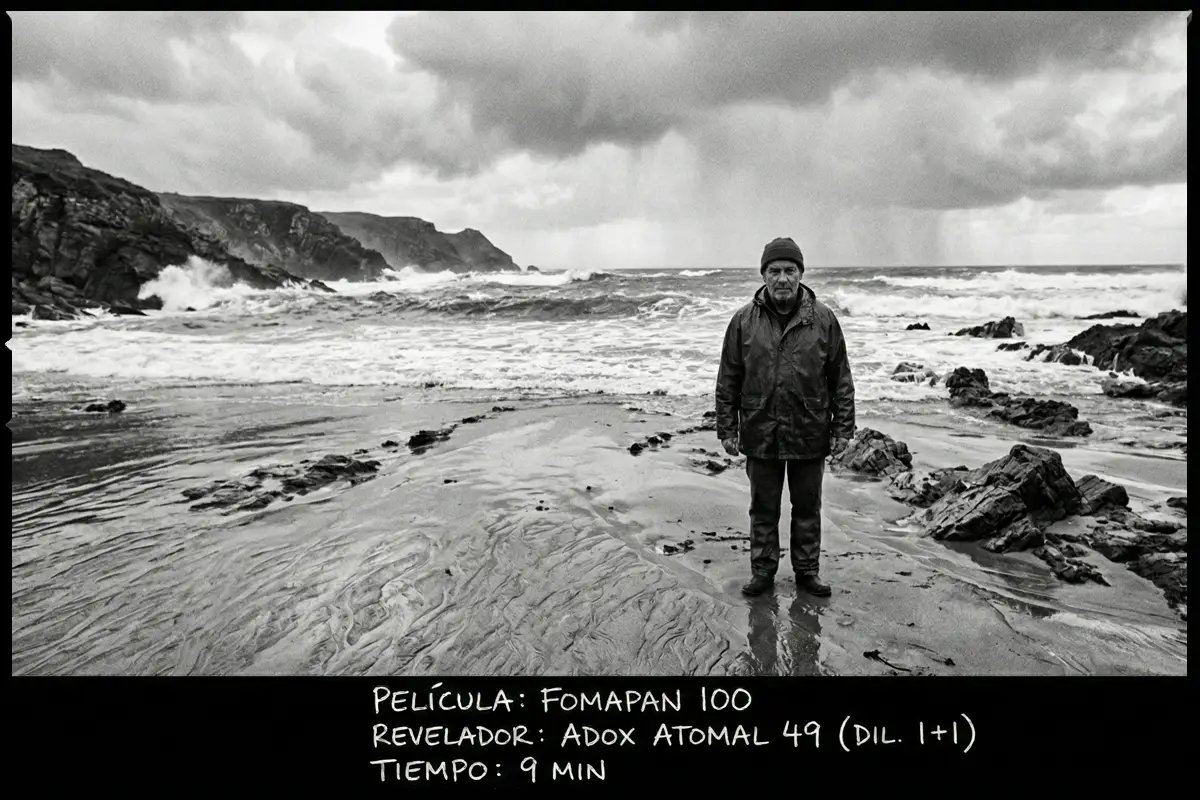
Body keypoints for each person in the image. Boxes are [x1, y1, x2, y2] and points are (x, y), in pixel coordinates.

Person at [715, 237, 856, 598]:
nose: (782, 278)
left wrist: (842, 429)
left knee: (807, 507)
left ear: (801, 274)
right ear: (763, 274)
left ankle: (807, 572)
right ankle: (763, 572)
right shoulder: (743, 321)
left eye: (789, 271)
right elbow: (728, 378)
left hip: (810, 429)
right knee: (763, 508)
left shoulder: (823, 319)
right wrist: (727, 428)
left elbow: (840, 378)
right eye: (774, 271)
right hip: (760, 429)